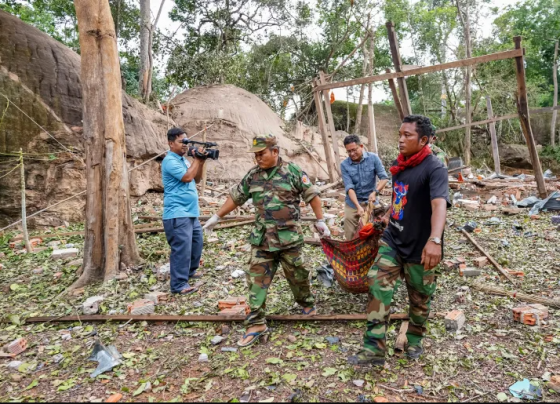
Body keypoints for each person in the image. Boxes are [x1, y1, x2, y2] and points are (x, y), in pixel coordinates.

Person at [203, 134, 331, 347]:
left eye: (261, 154)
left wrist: (320, 220)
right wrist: (217, 217)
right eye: (255, 155)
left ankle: (306, 303)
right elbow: (236, 197)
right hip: (262, 239)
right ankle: (256, 323)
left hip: (289, 238)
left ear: (275, 151)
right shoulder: (253, 175)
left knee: (298, 275)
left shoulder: (293, 171)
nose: (258, 158)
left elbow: (312, 196)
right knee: (256, 280)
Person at [348, 115, 450, 366]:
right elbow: (399, 198)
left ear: (423, 140)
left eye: (407, 135)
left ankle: (414, 339)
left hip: (421, 246)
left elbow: (439, 204)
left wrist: (435, 240)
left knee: (419, 298)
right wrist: (386, 218)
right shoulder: (399, 164)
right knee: (377, 284)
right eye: (400, 134)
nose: (401, 140)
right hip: (393, 239)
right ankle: (373, 349)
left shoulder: (434, 168)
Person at [162, 127, 208, 295]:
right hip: (177, 212)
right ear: (171, 143)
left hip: (190, 212)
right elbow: (187, 177)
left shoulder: (184, 161)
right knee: (181, 249)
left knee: (196, 244)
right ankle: (178, 284)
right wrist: (196, 159)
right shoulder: (170, 161)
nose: (185, 145)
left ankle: (189, 272)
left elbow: (196, 178)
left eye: (186, 142)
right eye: (182, 142)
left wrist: (200, 162)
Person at [340, 134, 389, 240]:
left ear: (361, 146)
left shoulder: (373, 158)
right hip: (353, 203)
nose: (352, 154)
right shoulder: (344, 165)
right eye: (349, 151)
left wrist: (375, 192)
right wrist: (358, 206)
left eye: (354, 150)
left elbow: (384, 178)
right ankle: (352, 249)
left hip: (371, 201)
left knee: (375, 230)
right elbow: (349, 188)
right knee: (350, 232)